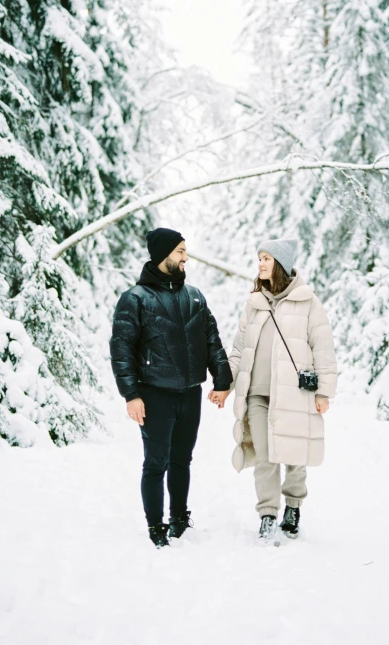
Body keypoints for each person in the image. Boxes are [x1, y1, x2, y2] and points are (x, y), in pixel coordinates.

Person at [110, 228, 232, 548]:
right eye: (180, 251)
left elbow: (212, 341)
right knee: (156, 463)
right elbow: (121, 350)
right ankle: (156, 526)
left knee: (182, 460)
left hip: (190, 393)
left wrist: (222, 380)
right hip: (155, 394)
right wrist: (131, 395)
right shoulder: (135, 299)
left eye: (185, 251)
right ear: (163, 254)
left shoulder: (194, 295)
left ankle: (179, 517)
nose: (185, 257)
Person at [209, 238, 336, 542]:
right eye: (259, 259)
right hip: (257, 393)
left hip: (293, 394)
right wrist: (223, 383)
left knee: (294, 454)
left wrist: (324, 392)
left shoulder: (308, 302)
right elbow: (240, 349)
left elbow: (324, 349)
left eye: (266, 258)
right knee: (265, 457)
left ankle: (293, 506)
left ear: (280, 263)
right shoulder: (254, 304)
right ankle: (267, 513)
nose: (261, 264)